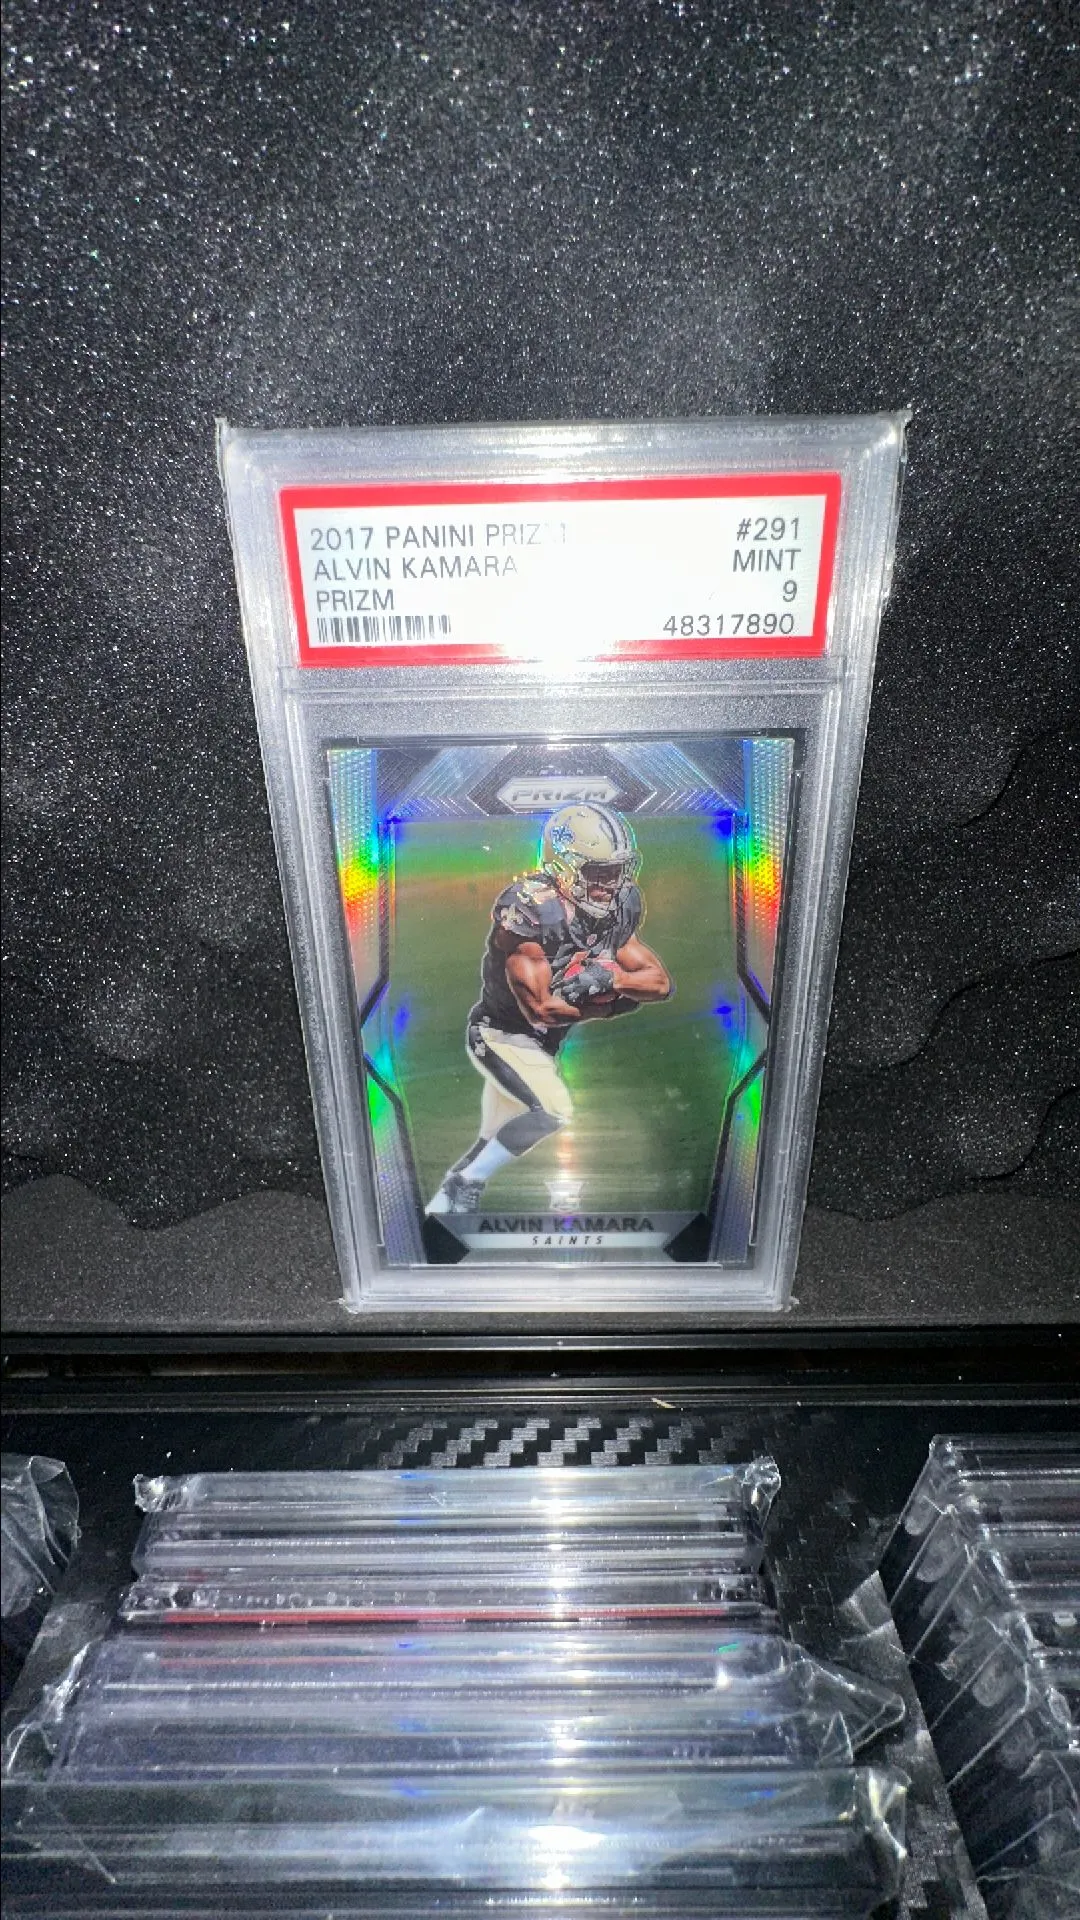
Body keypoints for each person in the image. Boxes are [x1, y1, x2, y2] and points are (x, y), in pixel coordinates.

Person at [427, 802, 672, 1215]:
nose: (612, 884)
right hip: (502, 1034)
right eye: (598, 872)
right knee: (552, 1112)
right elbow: (541, 1010)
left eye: (618, 871)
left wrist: (611, 979)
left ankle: (439, 1209)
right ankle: (466, 1183)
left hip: (542, 1045)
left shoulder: (619, 906)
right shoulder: (532, 909)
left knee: (494, 1136)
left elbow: (659, 983)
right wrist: (609, 1007)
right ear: (564, 867)